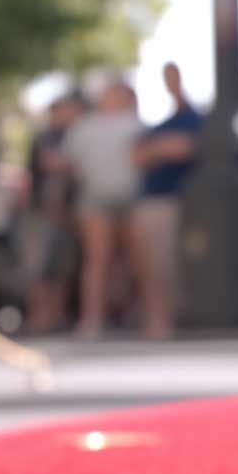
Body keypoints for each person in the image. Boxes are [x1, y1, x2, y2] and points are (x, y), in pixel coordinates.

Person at [62, 81, 145, 339]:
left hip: (133, 199)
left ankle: (142, 316)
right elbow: (70, 163)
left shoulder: (137, 125)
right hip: (95, 199)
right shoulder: (85, 127)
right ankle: (92, 320)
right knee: (97, 260)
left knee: (138, 261)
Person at [130, 63, 200, 339]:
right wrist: (163, 148)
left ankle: (169, 319)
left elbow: (186, 149)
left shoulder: (196, 119)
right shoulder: (158, 126)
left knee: (170, 263)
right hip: (152, 201)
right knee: (151, 264)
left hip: (177, 201)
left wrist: (161, 149)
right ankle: (156, 318)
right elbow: (138, 156)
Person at [20, 94, 84, 333]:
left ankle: (55, 315)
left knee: (61, 268)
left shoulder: (72, 136)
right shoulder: (46, 137)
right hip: (41, 212)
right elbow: (50, 164)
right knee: (37, 267)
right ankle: (39, 316)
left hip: (67, 213)